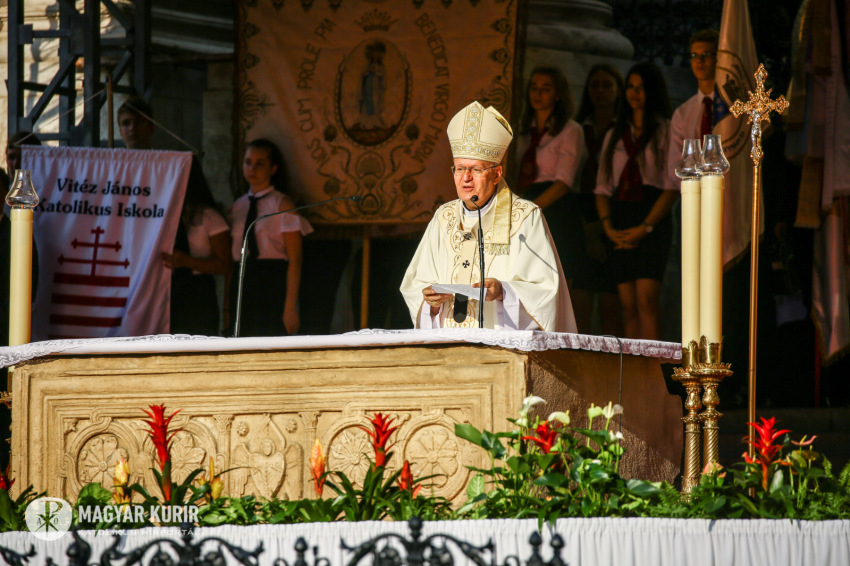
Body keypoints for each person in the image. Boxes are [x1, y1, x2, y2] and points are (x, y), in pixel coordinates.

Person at [400, 101, 576, 332]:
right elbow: (415, 285)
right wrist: (429, 303)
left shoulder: (525, 218)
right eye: (459, 169)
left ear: (496, 174)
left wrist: (504, 291)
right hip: (447, 343)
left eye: (475, 169)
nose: (465, 178)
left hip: (500, 345)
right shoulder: (443, 218)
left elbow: (546, 292)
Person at [595, 62, 676, 340]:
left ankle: (653, 366)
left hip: (652, 214)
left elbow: (672, 186)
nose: (635, 93)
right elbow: (602, 187)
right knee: (628, 304)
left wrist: (645, 227)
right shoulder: (616, 133)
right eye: (630, 86)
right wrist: (608, 228)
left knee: (646, 299)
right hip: (620, 215)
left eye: (641, 87)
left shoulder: (666, 129)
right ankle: (633, 366)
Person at [515, 67, 586, 319]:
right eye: (534, 88)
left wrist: (530, 209)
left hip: (556, 206)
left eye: (545, 89)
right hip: (525, 199)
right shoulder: (522, 129)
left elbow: (564, 181)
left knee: (560, 277)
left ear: (558, 94)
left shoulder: (570, 130)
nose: (538, 94)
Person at [228, 138, 313, 336]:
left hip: (272, 279)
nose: (252, 169)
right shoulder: (238, 206)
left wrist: (290, 307)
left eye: (260, 164)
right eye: (248, 162)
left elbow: (295, 259)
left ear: (273, 169)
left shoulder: (282, 204)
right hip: (243, 278)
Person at [573, 64, 626, 336]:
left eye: (607, 85)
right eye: (595, 85)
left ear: (618, 90)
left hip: (615, 211)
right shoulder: (579, 128)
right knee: (579, 299)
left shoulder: (625, 128)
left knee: (610, 303)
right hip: (582, 211)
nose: (600, 91)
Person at [161, 159, 231, 335]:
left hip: (198, 293)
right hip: (167, 290)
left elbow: (225, 265)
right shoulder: (162, 212)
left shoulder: (209, 216)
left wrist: (186, 261)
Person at [666, 29, 719, 191]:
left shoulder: (731, 106)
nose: (699, 61)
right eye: (694, 55)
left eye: (706, 55)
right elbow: (675, 164)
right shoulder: (683, 113)